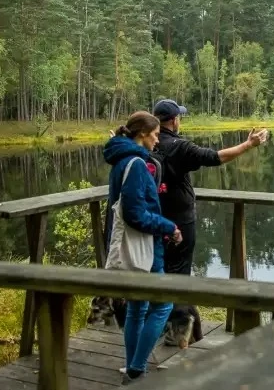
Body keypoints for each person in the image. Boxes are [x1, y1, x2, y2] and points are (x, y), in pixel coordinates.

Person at [103, 111, 183, 385]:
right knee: (163, 305)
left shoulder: (120, 161)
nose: (158, 141)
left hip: (134, 249)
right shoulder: (136, 164)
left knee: (138, 308)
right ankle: (137, 369)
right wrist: (168, 227)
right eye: (156, 135)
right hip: (145, 251)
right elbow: (136, 214)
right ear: (142, 134)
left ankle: (131, 367)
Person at [150, 98, 269, 277]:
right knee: (178, 272)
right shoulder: (179, 146)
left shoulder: (146, 142)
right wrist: (248, 145)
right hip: (180, 222)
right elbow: (214, 157)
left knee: (156, 269)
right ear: (174, 120)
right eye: (179, 117)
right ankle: (178, 305)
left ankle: (160, 303)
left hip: (153, 218)